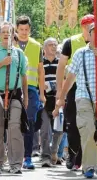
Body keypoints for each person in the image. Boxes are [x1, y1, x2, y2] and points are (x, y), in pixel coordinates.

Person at [54, 22, 97, 179]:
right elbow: (70, 77)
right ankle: (88, 166)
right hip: (84, 97)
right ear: (88, 34)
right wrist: (62, 97)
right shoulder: (80, 53)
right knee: (87, 130)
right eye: (94, 31)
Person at [0, 21, 28, 175]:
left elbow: (23, 76)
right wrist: (2, 63)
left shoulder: (19, 54)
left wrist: (26, 97)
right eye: (3, 32)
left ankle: (16, 163)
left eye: (9, 32)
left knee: (15, 128)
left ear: (12, 34)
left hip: (15, 95)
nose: (6, 34)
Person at [55, 14, 95, 170]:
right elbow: (61, 66)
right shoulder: (70, 42)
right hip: (73, 87)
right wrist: (60, 91)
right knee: (72, 124)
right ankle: (72, 154)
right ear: (83, 27)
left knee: (91, 124)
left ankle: (87, 157)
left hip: (93, 89)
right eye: (89, 26)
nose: (92, 29)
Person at [15, 15, 44, 170]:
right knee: (13, 123)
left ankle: (27, 156)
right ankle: (14, 155)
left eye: (26, 29)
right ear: (16, 29)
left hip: (31, 89)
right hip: (14, 88)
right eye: (21, 29)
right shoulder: (11, 45)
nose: (24, 32)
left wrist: (42, 93)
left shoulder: (36, 46)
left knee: (29, 122)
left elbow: (40, 70)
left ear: (30, 30)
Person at [39, 37, 63, 167]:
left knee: (59, 128)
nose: (53, 47)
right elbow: (37, 79)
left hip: (58, 99)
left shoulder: (61, 63)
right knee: (45, 129)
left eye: (55, 45)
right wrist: (41, 88)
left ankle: (54, 152)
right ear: (44, 48)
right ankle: (45, 157)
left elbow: (65, 80)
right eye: (50, 45)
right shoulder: (40, 63)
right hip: (44, 99)